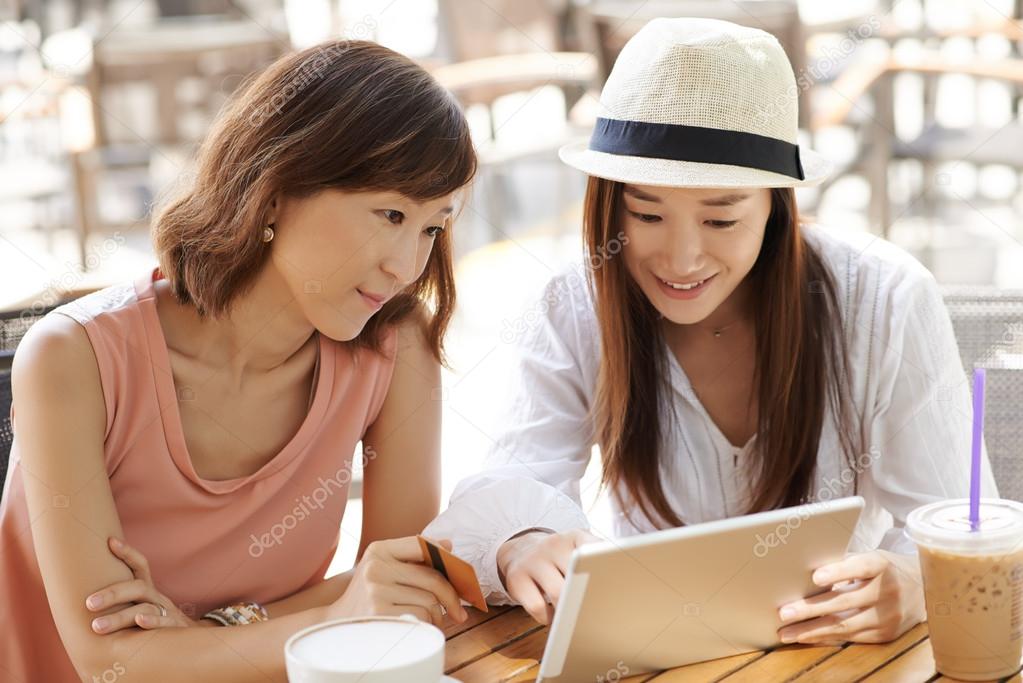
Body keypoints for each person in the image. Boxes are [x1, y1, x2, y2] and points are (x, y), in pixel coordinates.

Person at [424, 17, 998, 646]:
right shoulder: (575, 302)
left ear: (776, 204)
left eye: (721, 219)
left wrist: (914, 583)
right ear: (609, 203)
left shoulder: (885, 298)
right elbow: (508, 483)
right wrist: (523, 542)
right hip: (658, 655)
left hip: (837, 653)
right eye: (646, 213)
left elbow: (962, 522)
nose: (681, 259)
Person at [1, 40, 476, 681]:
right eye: (389, 213)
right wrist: (328, 615)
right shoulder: (71, 358)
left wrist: (209, 633)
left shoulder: (394, 344)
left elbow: (402, 591)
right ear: (276, 190)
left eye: (432, 228)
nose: (407, 266)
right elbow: (109, 661)